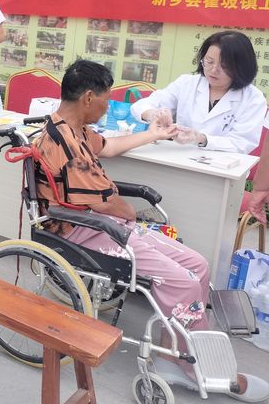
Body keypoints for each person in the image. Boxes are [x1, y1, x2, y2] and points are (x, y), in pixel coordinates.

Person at [34, 59, 268, 401]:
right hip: (82, 229)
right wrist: (133, 215)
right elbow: (104, 204)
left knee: (198, 265)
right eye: (106, 99)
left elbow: (108, 147)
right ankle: (191, 366)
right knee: (182, 281)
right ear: (88, 98)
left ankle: (171, 356)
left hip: (104, 222)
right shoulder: (65, 143)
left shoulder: (73, 127)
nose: (108, 106)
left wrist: (153, 134)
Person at [130, 31, 265, 154]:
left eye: (224, 65)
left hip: (223, 166)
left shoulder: (253, 98)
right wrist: (154, 114)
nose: (213, 70)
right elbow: (140, 106)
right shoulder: (187, 83)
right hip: (178, 158)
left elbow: (242, 143)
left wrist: (201, 139)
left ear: (241, 66)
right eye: (209, 62)